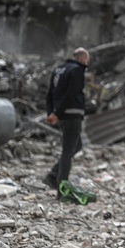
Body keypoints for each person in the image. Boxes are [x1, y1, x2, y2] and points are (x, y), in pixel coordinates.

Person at [42, 47, 90, 196]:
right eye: (86, 61)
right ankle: (61, 189)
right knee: (68, 150)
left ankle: (53, 175)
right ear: (82, 59)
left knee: (77, 145)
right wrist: (56, 113)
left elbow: (50, 94)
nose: (86, 64)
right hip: (71, 114)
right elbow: (71, 94)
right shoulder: (77, 70)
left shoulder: (59, 69)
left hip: (61, 115)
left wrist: (52, 112)